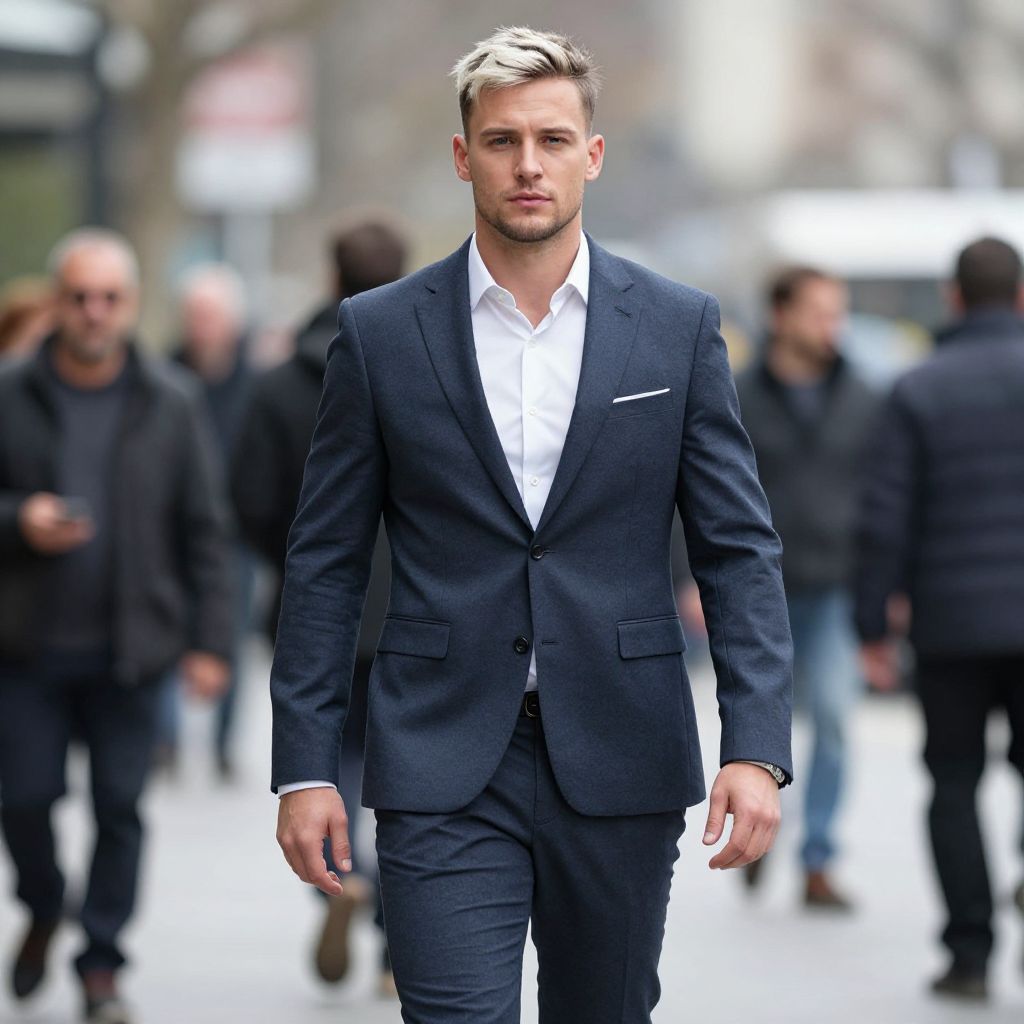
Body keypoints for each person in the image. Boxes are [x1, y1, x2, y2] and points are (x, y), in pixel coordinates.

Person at [271, 27, 794, 1023]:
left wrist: (755, 744)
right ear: (463, 156)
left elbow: (736, 547)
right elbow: (326, 561)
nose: (527, 164)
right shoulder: (380, 334)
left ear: (591, 155)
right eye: (502, 140)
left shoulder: (676, 326)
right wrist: (304, 765)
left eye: (553, 139)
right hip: (439, 754)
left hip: (622, 744)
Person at [0, 228, 234, 1024]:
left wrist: (210, 642)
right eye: (79, 297)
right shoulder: (9, 392)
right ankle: (43, 903)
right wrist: (16, 520)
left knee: (120, 809)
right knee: (24, 799)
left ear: (132, 306)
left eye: (110, 298)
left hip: (131, 650)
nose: (94, 313)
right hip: (25, 647)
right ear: (57, 302)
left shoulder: (170, 401)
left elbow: (205, 530)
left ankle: (101, 966)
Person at [231, 217, 407, 992]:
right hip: (414, 610)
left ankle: (345, 873)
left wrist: (303, 571)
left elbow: (250, 499)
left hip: (318, 612)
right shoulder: (428, 364)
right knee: (408, 778)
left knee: (325, 769)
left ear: (331, 277)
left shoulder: (279, 384)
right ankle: (402, 938)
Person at [856, 236, 1024, 1001]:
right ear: (1020, 297)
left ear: (954, 299)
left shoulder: (918, 388)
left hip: (952, 625)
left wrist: (870, 626)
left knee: (953, 782)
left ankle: (968, 952)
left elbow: (886, 518)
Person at [734, 267, 878, 909]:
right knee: (768, 718)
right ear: (781, 316)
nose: (832, 326)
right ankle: (762, 829)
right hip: (759, 588)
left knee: (838, 720)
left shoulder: (863, 397)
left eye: (837, 313)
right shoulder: (738, 394)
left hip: (838, 583)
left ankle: (817, 858)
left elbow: (884, 497)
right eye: (819, 312)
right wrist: (686, 579)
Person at [167, 263, 254, 779]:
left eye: (212, 315)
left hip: (234, 531)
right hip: (169, 528)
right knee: (160, 632)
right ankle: (165, 740)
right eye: (195, 315)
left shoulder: (254, 381)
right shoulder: (164, 376)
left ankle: (222, 742)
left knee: (230, 635)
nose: (203, 326)